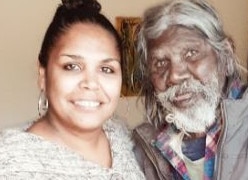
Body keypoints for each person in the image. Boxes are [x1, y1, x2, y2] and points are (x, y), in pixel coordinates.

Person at [132, 0, 248, 179]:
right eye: (160, 63)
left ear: (226, 55)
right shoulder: (142, 150)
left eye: (191, 53)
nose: (174, 76)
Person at [0, 0, 145, 179]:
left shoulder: (121, 136)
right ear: (43, 75)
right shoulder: (11, 165)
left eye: (106, 69)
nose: (91, 83)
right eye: (72, 66)